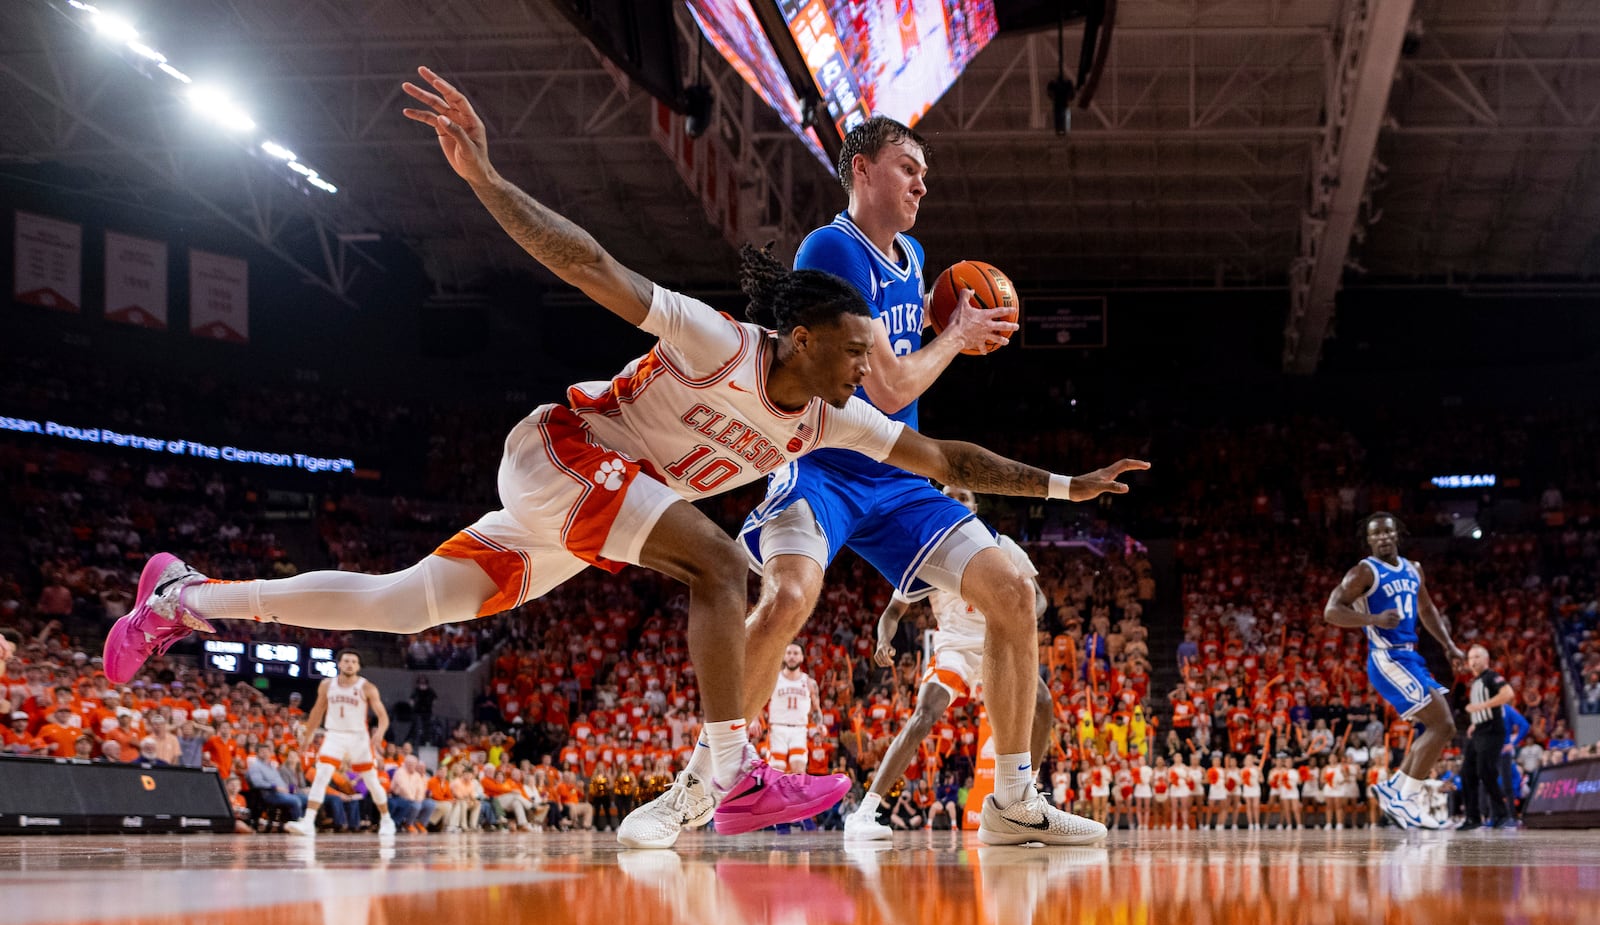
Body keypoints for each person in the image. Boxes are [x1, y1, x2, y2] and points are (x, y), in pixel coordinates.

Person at [101, 69, 1146, 851]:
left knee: (402, 603)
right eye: (858, 344)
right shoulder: (719, 341)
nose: (872, 360)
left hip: (585, 510)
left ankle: (189, 596)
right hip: (562, 453)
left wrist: (1063, 486)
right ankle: (732, 773)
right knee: (720, 566)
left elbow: (942, 448)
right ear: (809, 333)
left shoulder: (827, 417)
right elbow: (589, 261)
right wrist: (489, 178)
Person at [737, 116, 1137, 850]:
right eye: (908, 167)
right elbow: (886, 385)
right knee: (789, 597)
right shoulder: (829, 247)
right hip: (827, 463)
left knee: (1012, 586)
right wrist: (953, 337)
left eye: (925, 172)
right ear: (861, 170)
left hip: (897, 477)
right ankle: (710, 773)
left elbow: (897, 340)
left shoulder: (914, 255)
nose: (923, 181)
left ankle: (1014, 801)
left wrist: (938, 315)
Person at [848, 489, 1099, 842]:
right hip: (954, 647)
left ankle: (1026, 798)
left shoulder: (1003, 545)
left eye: (963, 495)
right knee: (925, 714)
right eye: (949, 494)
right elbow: (892, 612)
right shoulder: (927, 550)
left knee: (1042, 704)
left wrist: (1021, 621)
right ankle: (865, 811)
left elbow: (1038, 599)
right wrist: (883, 639)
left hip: (998, 639)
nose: (956, 499)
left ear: (975, 506)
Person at [1324, 513, 1465, 829]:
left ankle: (1395, 789)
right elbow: (1331, 611)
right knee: (1443, 725)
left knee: (1436, 727)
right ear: (1369, 540)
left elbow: (1427, 610)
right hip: (1387, 659)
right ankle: (1406, 797)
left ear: (1397, 533)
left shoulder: (1414, 569)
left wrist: (1448, 645)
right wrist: (1372, 620)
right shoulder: (1363, 572)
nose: (1383, 537)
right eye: (1376, 534)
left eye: (1388, 531)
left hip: (1411, 658)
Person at [282, 650, 396, 838]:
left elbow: (383, 717)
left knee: (371, 779)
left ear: (358, 666)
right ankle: (308, 822)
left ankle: (386, 819)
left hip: (359, 737)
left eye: (353, 661)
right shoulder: (327, 685)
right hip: (334, 734)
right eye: (346, 661)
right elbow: (317, 712)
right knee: (322, 775)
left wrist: (380, 733)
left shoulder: (366, 687)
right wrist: (308, 736)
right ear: (339, 664)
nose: (350, 664)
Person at [1458, 644, 1516, 830]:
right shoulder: (1475, 681)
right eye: (1470, 658)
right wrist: (1475, 722)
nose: (1473, 661)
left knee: (1486, 772)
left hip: (1492, 731)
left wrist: (1480, 708)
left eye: (1477, 657)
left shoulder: (1491, 676)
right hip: (1480, 731)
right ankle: (1472, 818)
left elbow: (1508, 693)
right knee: (1467, 772)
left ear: (1486, 659)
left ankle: (1502, 814)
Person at [765, 643, 821, 774]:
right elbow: (759, 700)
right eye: (789, 653)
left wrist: (819, 725)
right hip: (777, 728)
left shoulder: (809, 682)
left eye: (795, 653)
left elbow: (817, 708)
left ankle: (795, 795)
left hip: (799, 729)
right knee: (776, 770)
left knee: (798, 770)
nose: (792, 657)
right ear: (784, 657)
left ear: (802, 658)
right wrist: (755, 720)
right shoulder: (773, 679)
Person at [246, 743, 307, 824]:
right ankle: (298, 824)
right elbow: (257, 783)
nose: (265, 753)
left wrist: (290, 789)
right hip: (270, 794)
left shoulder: (271, 766)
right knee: (295, 800)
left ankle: (303, 822)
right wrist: (275, 787)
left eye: (267, 751)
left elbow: (282, 783)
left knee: (307, 799)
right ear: (257, 753)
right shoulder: (255, 766)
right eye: (262, 751)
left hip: (283, 792)